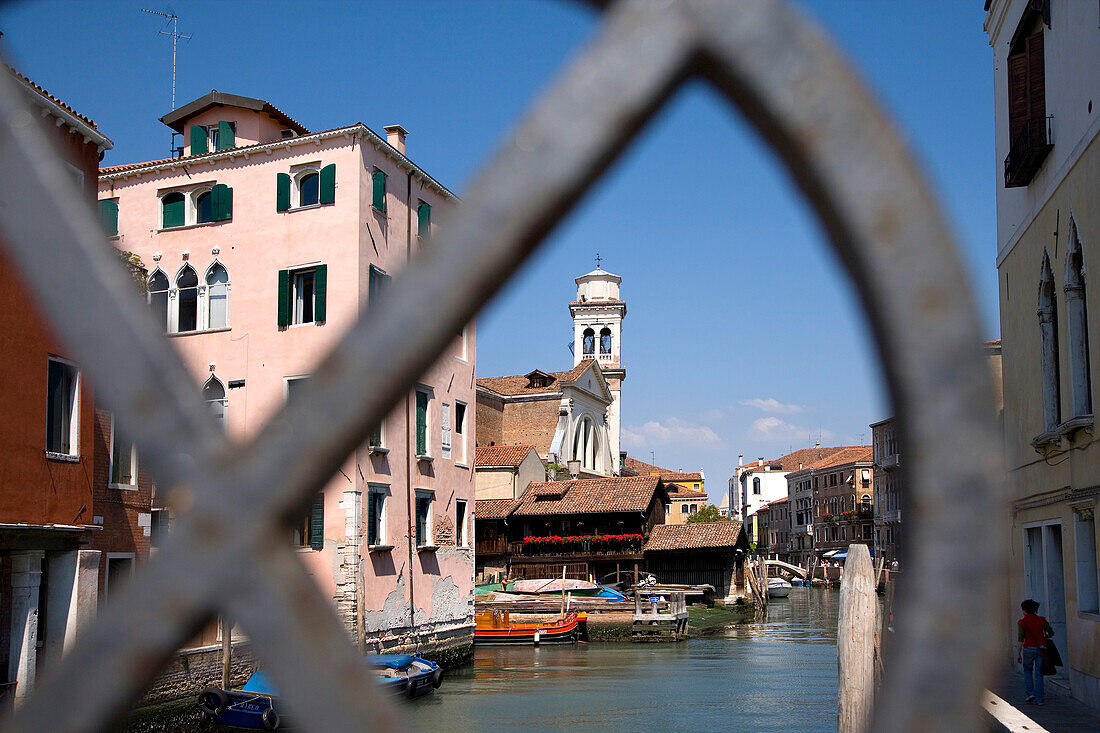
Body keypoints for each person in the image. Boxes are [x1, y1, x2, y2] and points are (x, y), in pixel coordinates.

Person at [1017, 599, 1054, 705]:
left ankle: (1030, 693)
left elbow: (1020, 639)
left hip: (1028, 648)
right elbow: (1051, 632)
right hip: (1041, 648)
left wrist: (1018, 653)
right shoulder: (1042, 620)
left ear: (1024, 610)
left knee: (1028, 671)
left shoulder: (1022, 622)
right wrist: (1044, 637)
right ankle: (1040, 699)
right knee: (1039, 674)